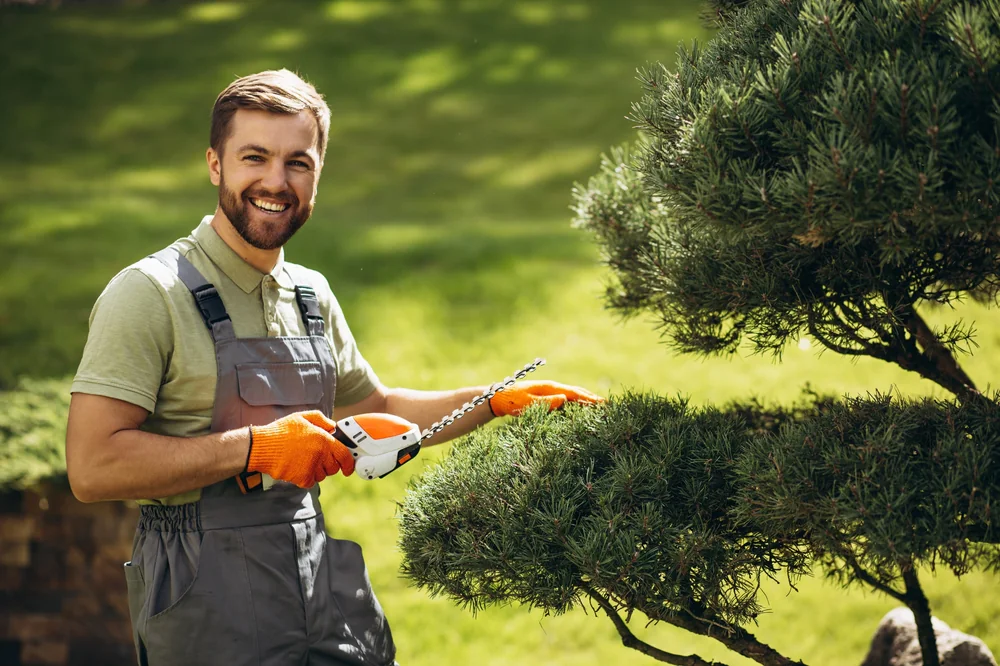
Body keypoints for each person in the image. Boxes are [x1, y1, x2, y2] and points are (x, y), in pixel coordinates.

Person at [64, 69, 603, 666]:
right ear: (214, 164)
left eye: (298, 162)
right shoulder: (149, 293)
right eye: (254, 157)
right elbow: (93, 466)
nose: (276, 181)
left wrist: (498, 401)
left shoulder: (309, 295)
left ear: (318, 173)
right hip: (204, 603)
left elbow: (378, 411)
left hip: (318, 587)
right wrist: (257, 449)